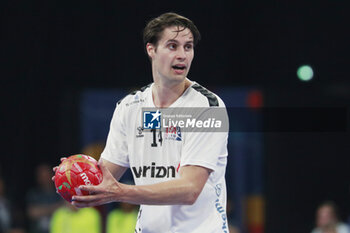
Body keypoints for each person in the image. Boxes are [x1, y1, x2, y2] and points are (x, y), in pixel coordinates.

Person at [54, 12, 229, 233]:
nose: (182, 55)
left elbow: (190, 189)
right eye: (172, 46)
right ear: (151, 49)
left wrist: (121, 193)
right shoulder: (129, 108)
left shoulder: (207, 108)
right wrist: (74, 174)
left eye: (188, 47)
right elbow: (104, 177)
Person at [26, 164, 62, 233]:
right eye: (41, 176)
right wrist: (54, 208)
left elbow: (65, 207)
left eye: (46, 175)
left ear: (52, 176)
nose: (44, 178)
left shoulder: (59, 192)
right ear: (38, 178)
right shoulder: (34, 194)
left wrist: (42, 210)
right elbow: (32, 213)